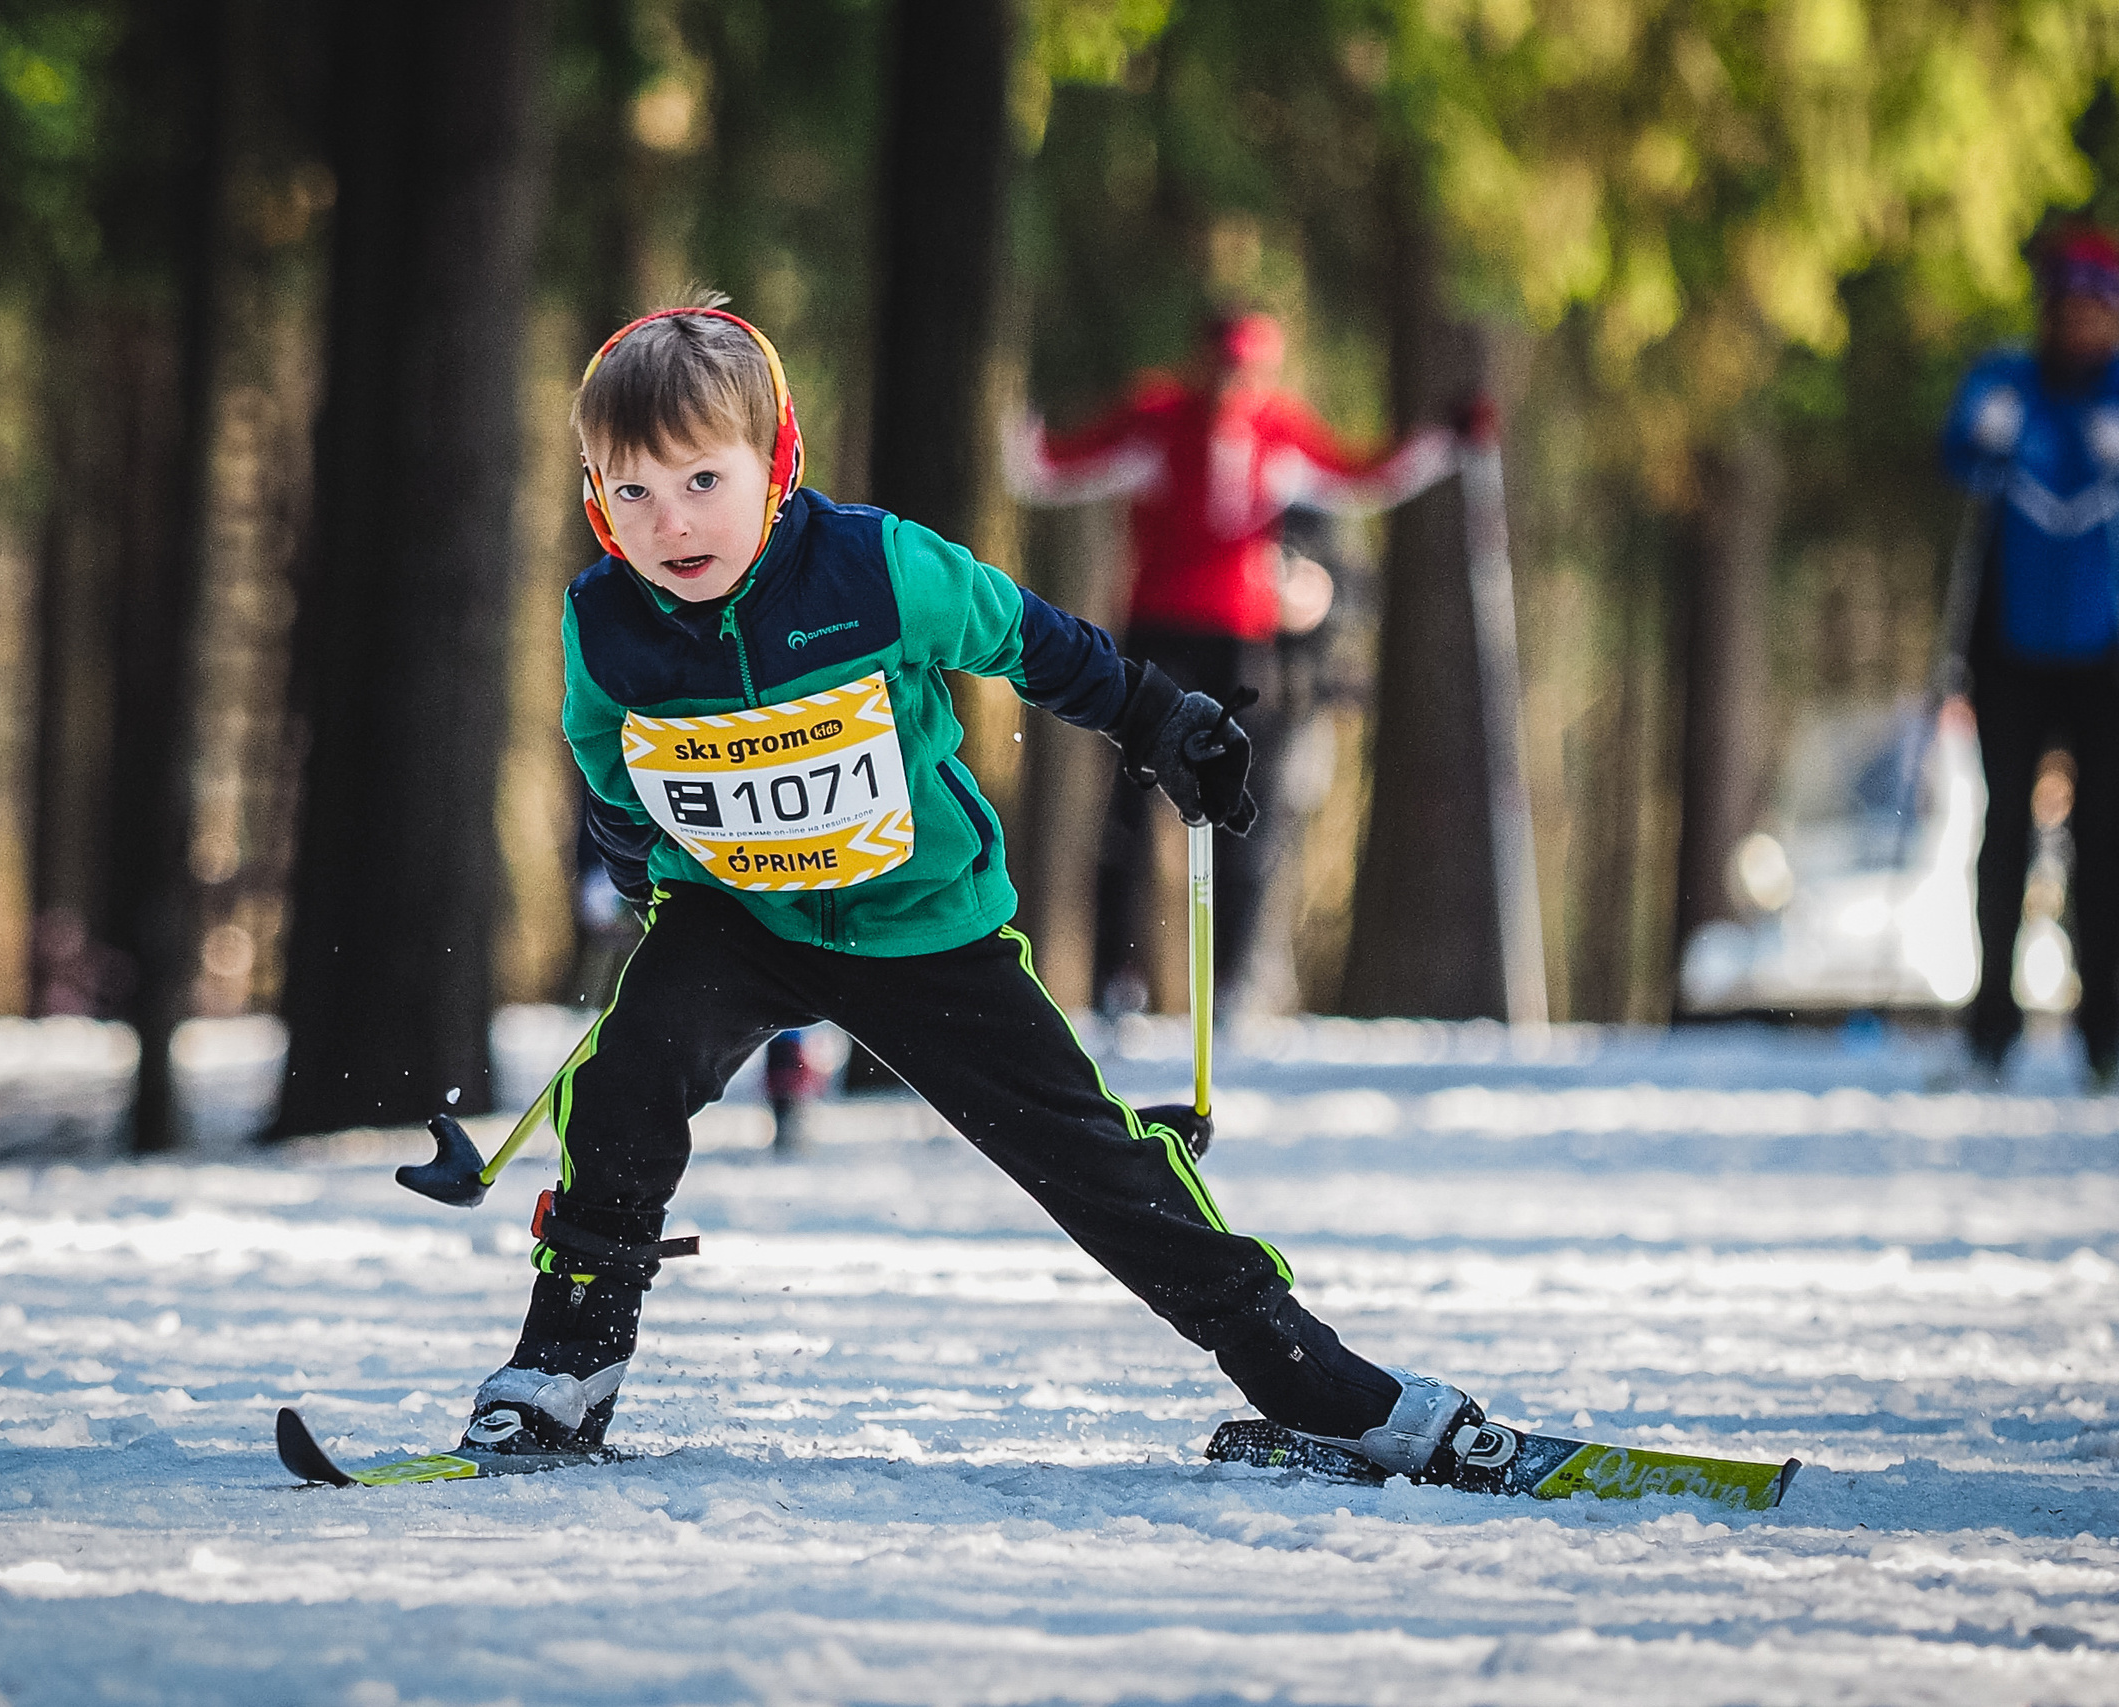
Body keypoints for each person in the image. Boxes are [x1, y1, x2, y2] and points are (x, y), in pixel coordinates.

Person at [460, 298, 1493, 1484]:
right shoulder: (606, 620)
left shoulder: (877, 567)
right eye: (628, 492)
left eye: (702, 482)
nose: (668, 525)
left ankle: (1313, 1381)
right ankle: (566, 1365)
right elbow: (604, 741)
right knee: (621, 1090)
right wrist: (636, 847)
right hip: (735, 916)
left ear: (775, 465)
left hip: (920, 925)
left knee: (1085, 1154)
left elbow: (1030, 639)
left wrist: (1159, 718)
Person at [1004, 310, 1460, 1015]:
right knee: (1131, 806)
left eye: (1247, 367)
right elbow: (1048, 469)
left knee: (1243, 804)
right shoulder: (1156, 418)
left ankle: (1230, 985)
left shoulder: (1278, 428)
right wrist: (1012, 415)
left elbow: (1362, 474)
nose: (1232, 381)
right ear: (1199, 359)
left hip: (1243, 643)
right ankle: (1113, 982)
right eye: (1222, 364)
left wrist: (1442, 442)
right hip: (1157, 634)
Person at [1942, 223, 2119, 1087]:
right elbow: (1957, 455)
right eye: (2064, 306)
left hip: (2109, 655)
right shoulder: (2006, 381)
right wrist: (1984, 436)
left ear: (2116, 315)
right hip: (2011, 647)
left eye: (2094, 309)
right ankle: (1988, 1033)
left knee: (2105, 843)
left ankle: (2105, 1036)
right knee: (2001, 832)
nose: (2077, 323)